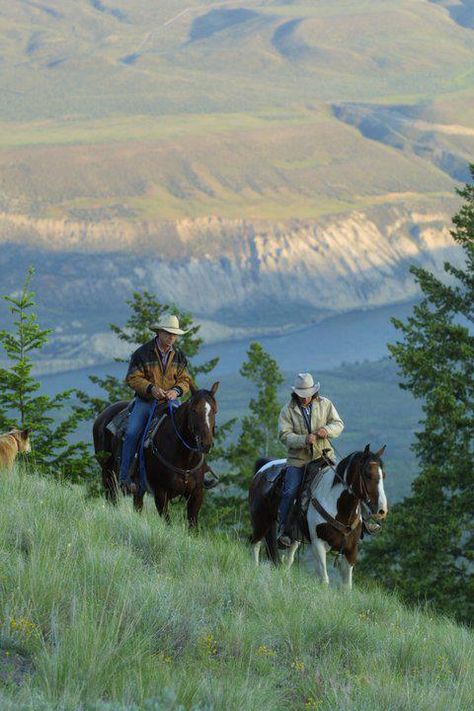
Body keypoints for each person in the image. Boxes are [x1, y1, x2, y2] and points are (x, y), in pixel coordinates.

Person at [119, 314, 192, 492]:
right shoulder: (142, 353)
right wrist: (151, 389)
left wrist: (176, 391)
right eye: (168, 333)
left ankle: (196, 474)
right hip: (146, 402)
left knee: (192, 428)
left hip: (170, 402)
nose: (171, 337)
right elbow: (132, 378)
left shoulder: (179, 356)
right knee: (131, 433)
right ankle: (124, 479)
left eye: (174, 334)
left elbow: (185, 380)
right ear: (159, 332)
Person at [277, 372, 344, 546]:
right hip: (298, 461)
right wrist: (303, 439)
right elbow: (284, 435)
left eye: (307, 395)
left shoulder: (326, 404)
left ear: (313, 393)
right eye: (301, 396)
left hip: (324, 457)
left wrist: (326, 431)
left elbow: (338, 424)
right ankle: (284, 529)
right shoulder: (287, 410)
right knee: (290, 491)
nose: (304, 399)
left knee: (345, 483)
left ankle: (362, 521)